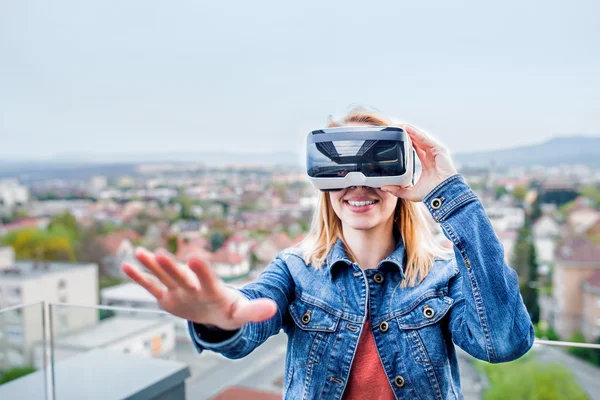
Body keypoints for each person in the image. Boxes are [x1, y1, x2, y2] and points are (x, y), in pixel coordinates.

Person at [122, 107, 534, 399]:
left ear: (401, 180)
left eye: (375, 164)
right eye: (338, 166)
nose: (357, 183)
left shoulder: (440, 275)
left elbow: (503, 343)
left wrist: (448, 190)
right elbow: (246, 322)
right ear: (323, 186)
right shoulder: (296, 271)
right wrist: (219, 321)